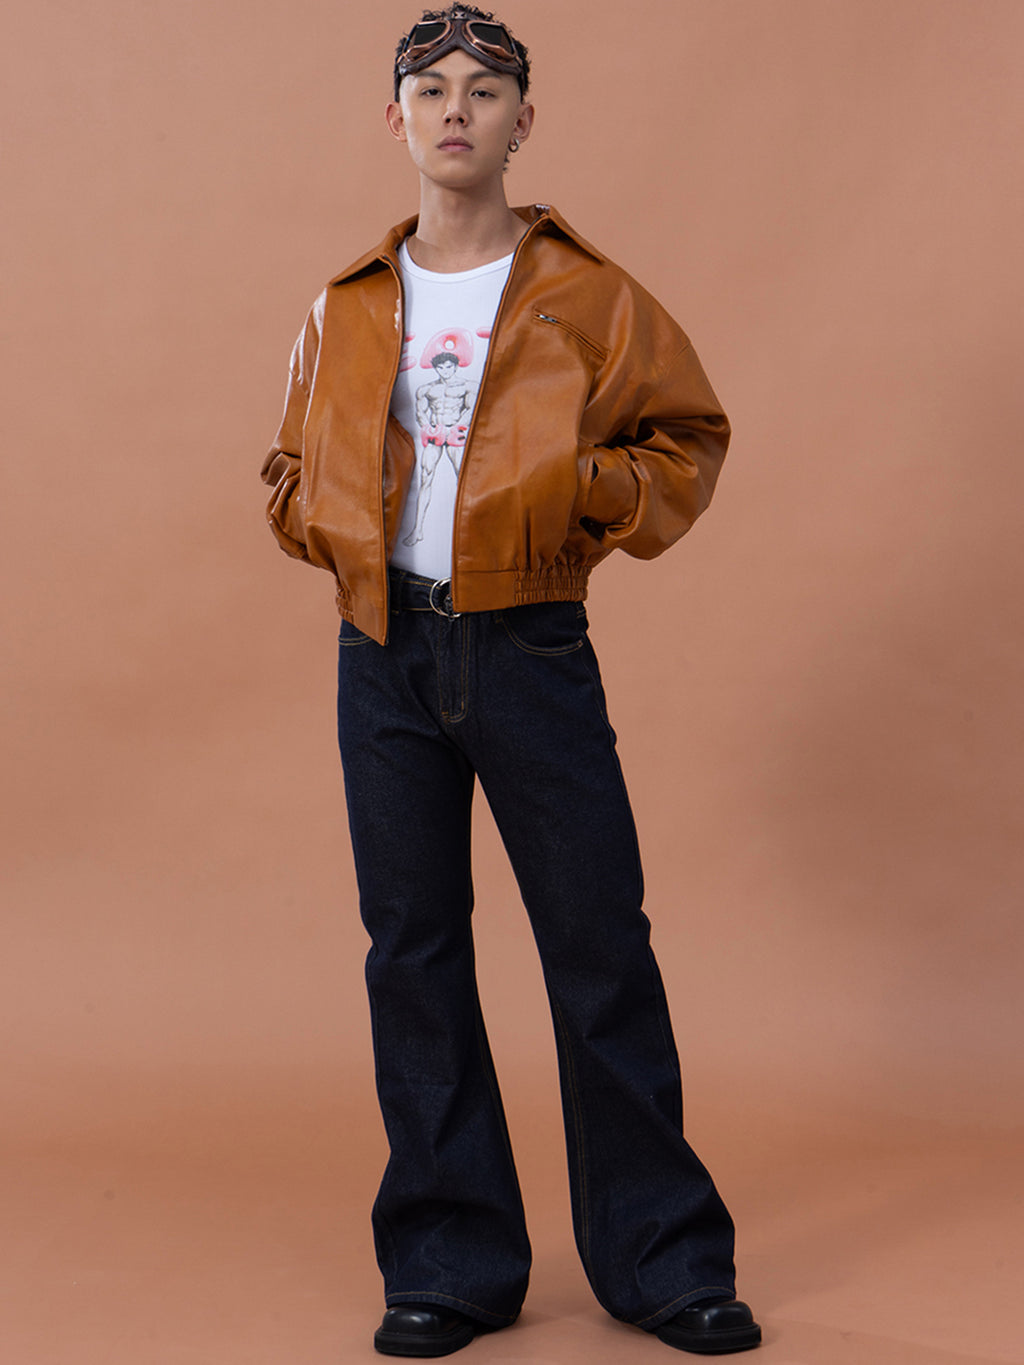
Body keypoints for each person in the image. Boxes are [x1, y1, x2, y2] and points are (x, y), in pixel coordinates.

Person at [261, 5, 761, 1356]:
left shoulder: (586, 295)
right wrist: (332, 529)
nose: (457, 110)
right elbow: (287, 464)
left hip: (530, 644)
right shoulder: (349, 302)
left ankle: (663, 1261)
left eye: (485, 90)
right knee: (413, 953)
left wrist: (577, 490)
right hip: (383, 653)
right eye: (431, 89)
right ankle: (449, 1261)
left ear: (523, 121)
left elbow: (687, 437)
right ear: (396, 119)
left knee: (598, 945)